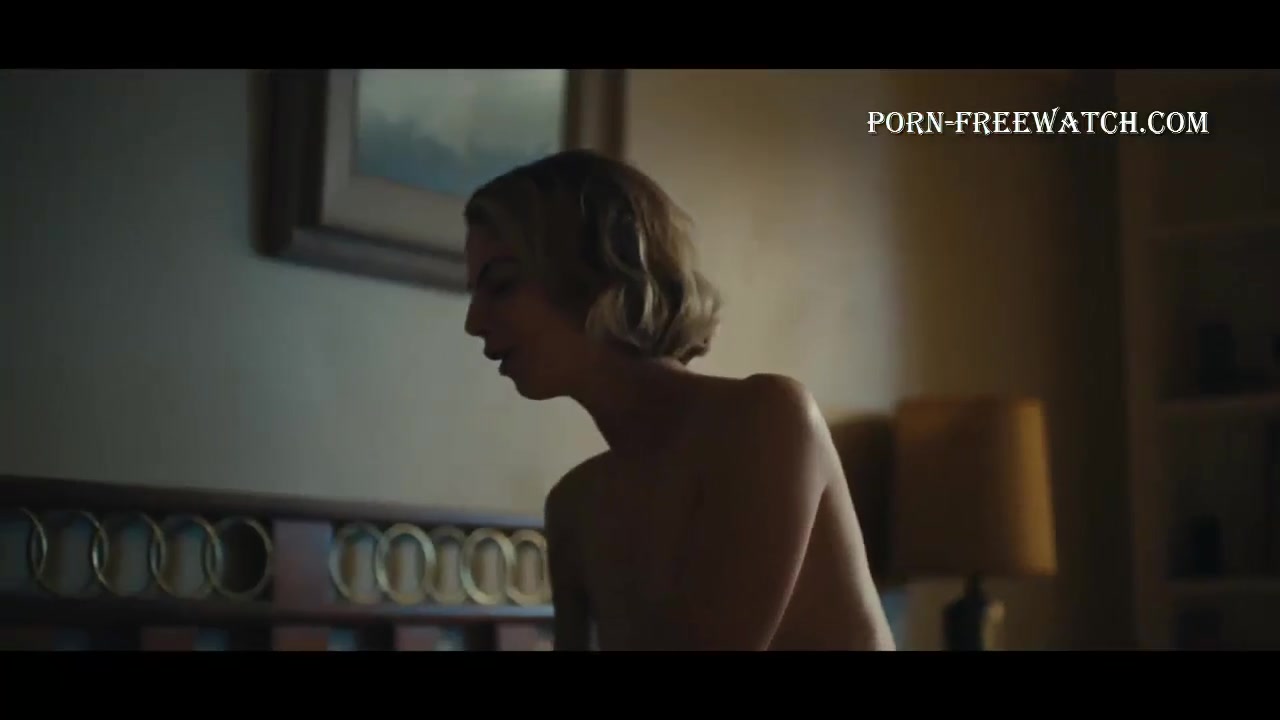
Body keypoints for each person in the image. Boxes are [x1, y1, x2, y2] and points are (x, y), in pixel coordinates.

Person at [462, 149, 895, 651]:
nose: (474, 322)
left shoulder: (767, 420)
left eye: (501, 285)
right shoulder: (573, 508)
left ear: (597, 271)